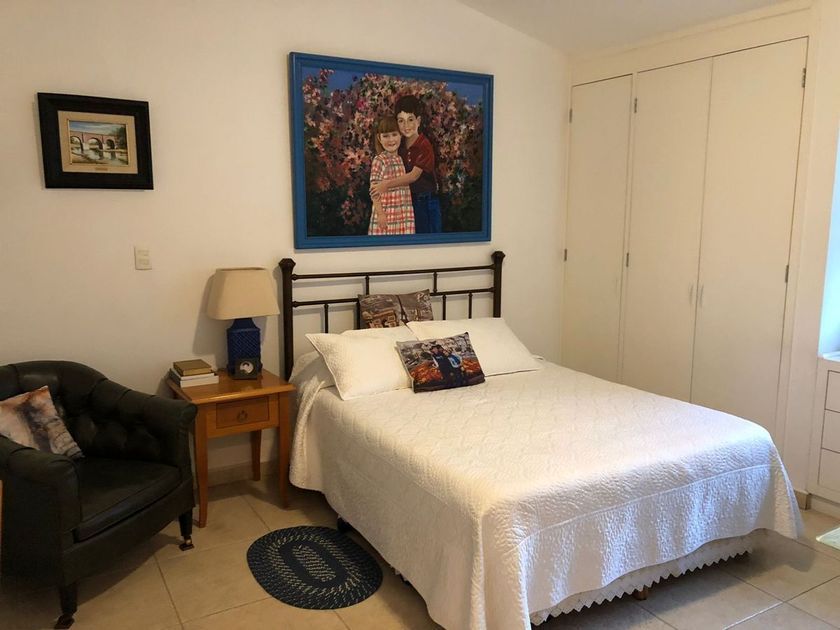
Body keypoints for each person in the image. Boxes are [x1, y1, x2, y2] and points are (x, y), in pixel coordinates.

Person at [370, 95, 441, 233]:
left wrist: (386, 184)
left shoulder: (424, 145)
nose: (406, 126)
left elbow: (413, 176)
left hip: (426, 202)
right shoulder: (398, 146)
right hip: (407, 202)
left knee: (428, 239)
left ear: (418, 121)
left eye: (410, 120)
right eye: (401, 121)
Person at [367, 116, 415, 235]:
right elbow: (374, 191)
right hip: (386, 214)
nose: (391, 140)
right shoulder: (379, 160)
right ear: (379, 138)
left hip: (403, 213)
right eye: (386, 136)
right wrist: (380, 214)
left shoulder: (400, 159)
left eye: (394, 134)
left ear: (400, 135)